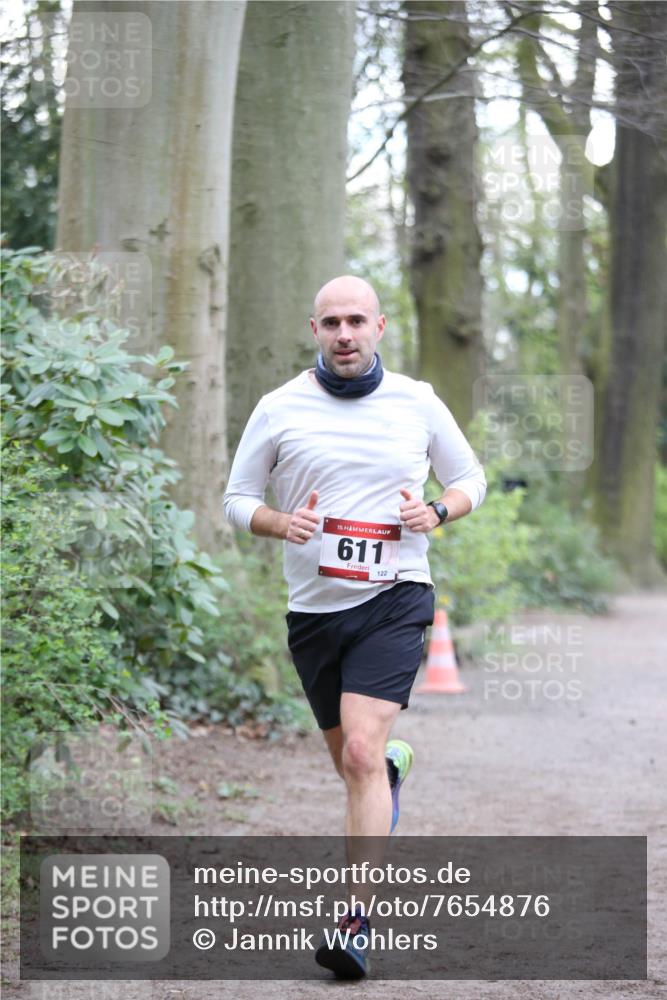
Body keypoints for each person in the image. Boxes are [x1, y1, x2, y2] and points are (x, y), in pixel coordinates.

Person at [223, 275, 486, 978]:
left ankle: (354, 923)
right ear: (314, 330)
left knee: (362, 754)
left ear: (380, 327)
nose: (345, 334)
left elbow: (471, 479)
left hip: (396, 597)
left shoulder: (416, 401)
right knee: (355, 767)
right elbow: (236, 499)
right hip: (314, 612)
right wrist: (280, 522)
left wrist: (439, 510)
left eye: (357, 321)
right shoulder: (279, 408)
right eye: (332, 322)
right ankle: (388, 775)